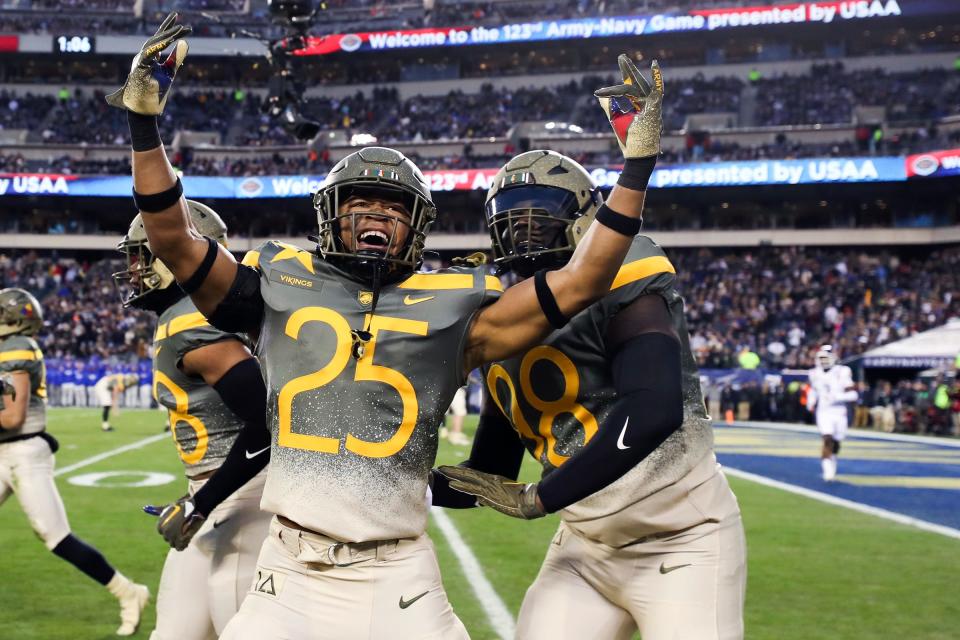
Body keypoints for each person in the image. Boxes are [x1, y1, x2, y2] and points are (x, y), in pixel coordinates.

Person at [106, 15, 659, 639]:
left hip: (396, 570)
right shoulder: (279, 282)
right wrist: (143, 123)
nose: (377, 213)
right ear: (332, 219)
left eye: (395, 206)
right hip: (286, 566)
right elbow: (173, 235)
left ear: (417, 227)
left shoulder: (457, 303)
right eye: (363, 201)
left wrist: (635, 169)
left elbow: (583, 280)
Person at [434, 146, 746, 640]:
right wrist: (390, 480)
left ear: (586, 218)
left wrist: (542, 497)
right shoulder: (497, 311)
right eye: (511, 213)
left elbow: (653, 406)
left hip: (682, 538)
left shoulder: (626, 270)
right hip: (584, 546)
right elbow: (493, 468)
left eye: (542, 208)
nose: (524, 225)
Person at [114, 203, 274, 639]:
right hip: (215, 497)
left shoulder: (190, 319)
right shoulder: (186, 315)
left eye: (140, 255)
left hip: (243, 505)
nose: (132, 269)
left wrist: (200, 504)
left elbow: (267, 423)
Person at [0, 287, 150, 636]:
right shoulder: (10, 347)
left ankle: (128, 592)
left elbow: (12, 418)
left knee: (55, 536)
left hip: (23, 453)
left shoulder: (16, 349)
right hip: (6, 450)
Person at [807, 345, 858, 481]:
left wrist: (838, 397)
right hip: (824, 411)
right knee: (827, 438)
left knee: (836, 442)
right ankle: (827, 467)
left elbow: (853, 394)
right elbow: (813, 390)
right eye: (821, 358)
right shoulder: (814, 373)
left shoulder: (842, 372)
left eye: (825, 358)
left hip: (839, 412)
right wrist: (811, 401)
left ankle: (832, 458)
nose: (823, 361)